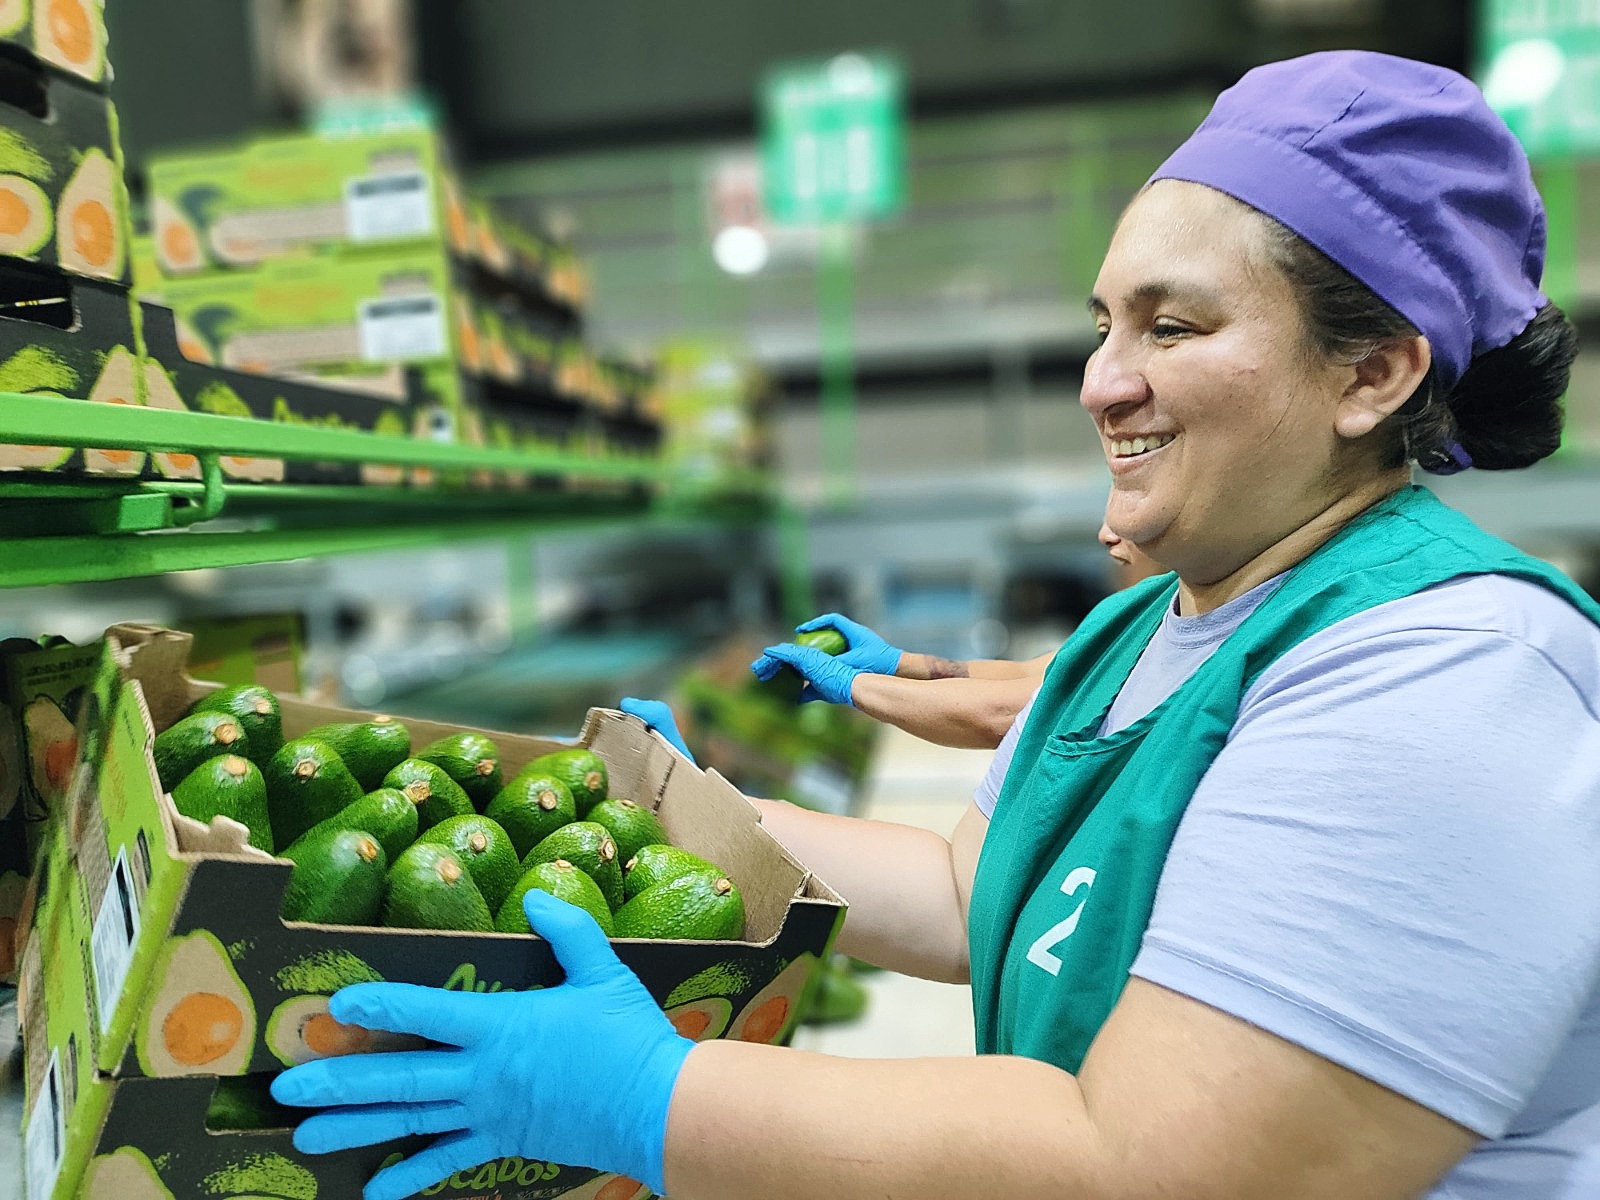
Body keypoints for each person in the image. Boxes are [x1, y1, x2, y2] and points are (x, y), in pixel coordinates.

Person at [270, 52, 1599, 1200]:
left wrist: (651, 1101)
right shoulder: (1149, 629)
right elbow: (980, 899)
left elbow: (1155, 1166)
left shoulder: (1450, 682)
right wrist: (683, 809)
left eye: (1171, 325)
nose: (1100, 381)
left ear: (1371, 372)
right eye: (1102, 324)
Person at [755, 522, 1162, 749]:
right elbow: (1032, 675)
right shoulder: (1137, 619)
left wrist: (855, 686)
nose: (1106, 533)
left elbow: (1013, 712)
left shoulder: (1172, 647)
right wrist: (898, 663)